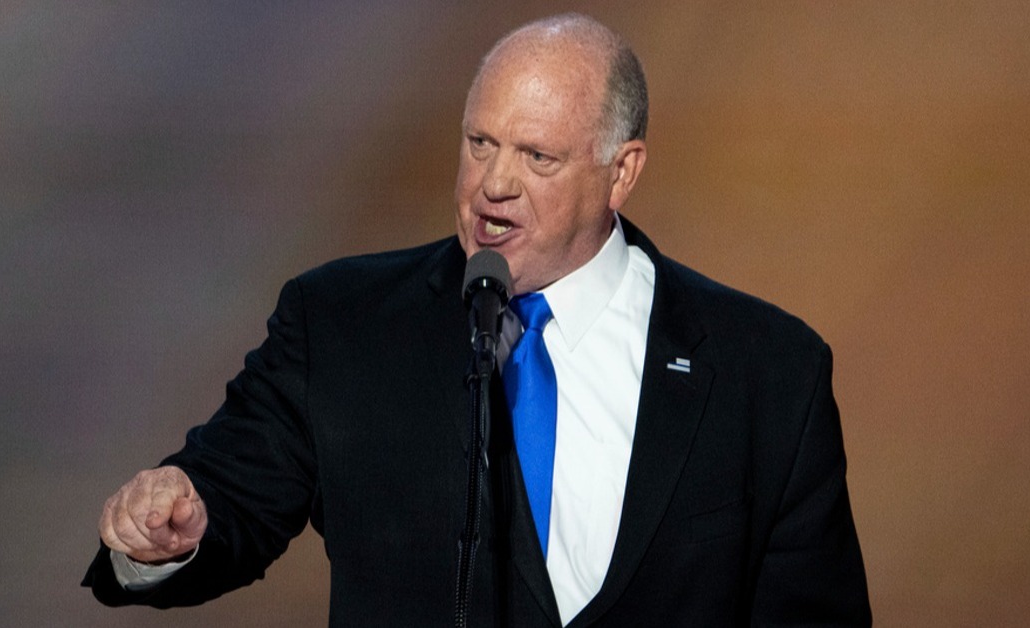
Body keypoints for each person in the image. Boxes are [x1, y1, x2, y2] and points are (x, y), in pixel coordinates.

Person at [83, 13, 871, 627]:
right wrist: (162, 531)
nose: (494, 183)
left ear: (621, 171)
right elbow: (226, 498)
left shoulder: (768, 371)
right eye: (480, 143)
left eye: (537, 156)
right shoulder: (345, 325)